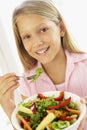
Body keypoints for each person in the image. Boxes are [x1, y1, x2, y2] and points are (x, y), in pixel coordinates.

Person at [0, 0, 87, 129]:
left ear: (61, 29)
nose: (37, 42)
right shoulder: (28, 83)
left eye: (43, 30)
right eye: (27, 36)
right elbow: (30, 125)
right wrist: (10, 109)